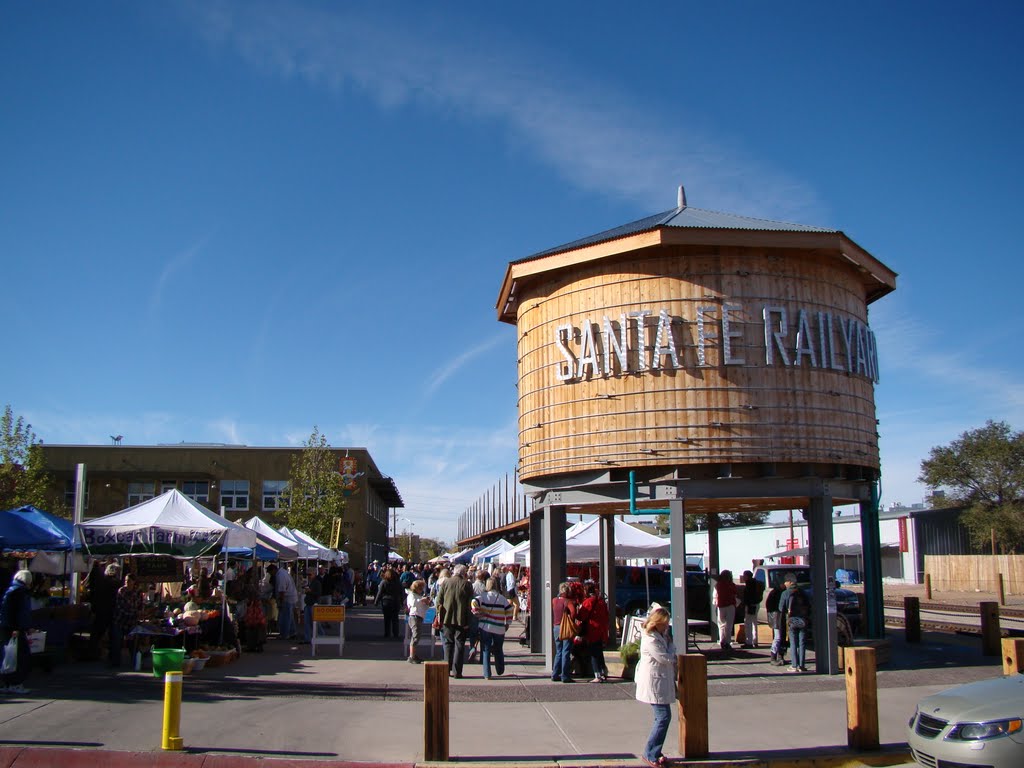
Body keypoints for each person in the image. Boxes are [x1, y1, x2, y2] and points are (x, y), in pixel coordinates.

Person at [634, 602, 676, 768]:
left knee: (663, 717)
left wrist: (670, 644)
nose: (667, 627)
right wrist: (672, 649)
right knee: (663, 717)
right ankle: (650, 752)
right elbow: (665, 658)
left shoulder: (661, 636)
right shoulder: (650, 638)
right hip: (654, 682)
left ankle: (655, 751)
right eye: (665, 624)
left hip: (661, 680)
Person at [436, 563, 474, 678]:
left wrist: (440, 614)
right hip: (461, 619)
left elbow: (439, 601)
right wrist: (468, 621)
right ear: (463, 573)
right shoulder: (467, 585)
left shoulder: (446, 582)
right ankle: (457, 671)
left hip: (447, 618)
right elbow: (470, 605)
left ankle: (446, 669)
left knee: (448, 644)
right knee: (460, 644)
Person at [0, 570, 34, 695]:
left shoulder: (10, 589)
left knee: (7, 656)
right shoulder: (20, 592)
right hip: (15, 629)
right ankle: (16, 683)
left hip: (5, 627)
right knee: (19, 656)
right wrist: (25, 627)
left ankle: (7, 683)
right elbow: (22, 613)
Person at [473, 577, 513, 679]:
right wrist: (507, 622)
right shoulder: (502, 598)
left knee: (485, 649)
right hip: (499, 627)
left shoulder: (483, 596)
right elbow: (509, 610)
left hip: (485, 626)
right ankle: (500, 669)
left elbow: (474, 602)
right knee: (498, 648)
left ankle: (487, 674)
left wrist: (477, 612)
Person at [577, 582, 610, 683]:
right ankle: (603, 673)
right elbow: (606, 615)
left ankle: (597, 675)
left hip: (592, 630)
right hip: (601, 630)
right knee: (599, 652)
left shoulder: (588, 602)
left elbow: (581, 616)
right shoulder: (601, 601)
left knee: (593, 653)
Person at [778, 573, 811, 673]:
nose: (785, 583)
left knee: (793, 642)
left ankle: (794, 665)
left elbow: (780, 608)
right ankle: (802, 665)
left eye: (786, 581)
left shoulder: (785, 593)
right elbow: (809, 605)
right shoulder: (802, 592)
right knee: (802, 643)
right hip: (803, 619)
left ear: (790, 582)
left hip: (792, 620)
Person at [110, 573, 144, 668]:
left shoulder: (138, 592)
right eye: (125, 581)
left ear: (134, 582)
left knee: (133, 643)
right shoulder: (122, 591)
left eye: (128, 581)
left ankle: (135, 662)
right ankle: (115, 663)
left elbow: (140, 606)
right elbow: (121, 607)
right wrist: (134, 613)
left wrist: (140, 613)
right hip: (120, 620)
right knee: (117, 642)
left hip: (132, 622)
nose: (126, 583)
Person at [551, 582, 577, 683]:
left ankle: (555, 674)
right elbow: (574, 612)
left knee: (559, 651)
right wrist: (570, 618)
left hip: (556, 627)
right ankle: (565, 675)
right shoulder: (568, 602)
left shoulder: (554, 600)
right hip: (565, 627)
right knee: (566, 651)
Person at [271, 564, 299, 641]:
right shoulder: (283, 572)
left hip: (287, 598)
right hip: (291, 597)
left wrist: (281, 601)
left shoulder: (280, 575)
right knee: (290, 616)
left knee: (285, 617)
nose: (271, 575)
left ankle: (285, 634)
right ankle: (292, 632)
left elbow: (282, 590)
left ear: (273, 570)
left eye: (270, 572)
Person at [406, 579, 431, 663]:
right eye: (420, 588)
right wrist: (422, 600)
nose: (421, 590)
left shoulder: (419, 596)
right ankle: (411, 656)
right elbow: (413, 604)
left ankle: (413, 654)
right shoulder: (411, 595)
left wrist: (427, 603)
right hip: (414, 616)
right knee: (415, 635)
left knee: (418, 635)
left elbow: (424, 607)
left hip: (420, 617)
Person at [713, 569, 738, 651]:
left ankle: (722, 641)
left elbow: (715, 596)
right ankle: (728, 642)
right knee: (729, 625)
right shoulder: (732, 585)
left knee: (721, 625)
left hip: (721, 606)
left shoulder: (717, 585)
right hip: (730, 605)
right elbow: (735, 594)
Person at [375, 569, 404, 639]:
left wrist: (376, 601)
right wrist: (402, 602)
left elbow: (380, 593)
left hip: (386, 602)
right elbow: (402, 593)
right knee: (395, 618)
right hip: (395, 601)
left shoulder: (384, 582)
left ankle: (387, 633)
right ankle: (395, 633)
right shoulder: (398, 582)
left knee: (387, 619)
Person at [765, 581, 787, 666]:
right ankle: (775, 656)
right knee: (779, 637)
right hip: (778, 618)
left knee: (779, 637)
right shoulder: (778, 593)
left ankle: (778, 656)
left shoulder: (775, 592)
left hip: (777, 618)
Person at [740, 570, 764, 648]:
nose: (743, 577)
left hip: (750, 605)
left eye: (744, 575)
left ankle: (749, 642)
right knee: (754, 623)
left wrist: (746, 603)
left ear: (747, 576)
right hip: (757, 604)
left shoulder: (749, 584)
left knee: (748, 623)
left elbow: (747, 596)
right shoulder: (757, 583)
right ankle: (755, 641)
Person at [302, 568, 323, 644]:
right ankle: (307, 639)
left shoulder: (317, 582)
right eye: (307, 575)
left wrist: (310, 592)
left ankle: (321, 636)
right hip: (308, 604)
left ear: (314, 574)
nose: (308, 576)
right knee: (307, 622)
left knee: (315, 622)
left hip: (313, 604)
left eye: (310, 574)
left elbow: (318, 594)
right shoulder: (310, 582)